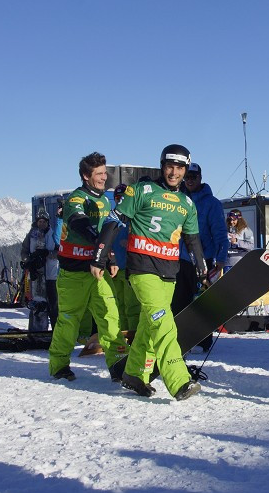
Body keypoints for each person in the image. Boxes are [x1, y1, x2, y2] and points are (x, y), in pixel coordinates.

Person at [92, 144, 208, 400]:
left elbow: (192, 240)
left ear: (185, 169)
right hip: (142, 269)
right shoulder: (142, 190)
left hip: (169, 272)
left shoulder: (187, 203)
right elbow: (114, 220)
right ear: (162, 166)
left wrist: (202, 269)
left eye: (179, 168)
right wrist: (100, 255)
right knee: (165, 324)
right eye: (170, 166)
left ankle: (133, 373)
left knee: (147, 326)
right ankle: (179, 381)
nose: (174, 173)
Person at [49, 153, 127, 381]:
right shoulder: (76, 198)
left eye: (105, 173)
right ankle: (59, 364)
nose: (104, 177)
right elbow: (79, 223)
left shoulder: (104, 200)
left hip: (98, 271)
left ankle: (118, 364)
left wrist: (109, 257)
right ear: (86, 176)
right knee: (69, 321)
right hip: (74, 271)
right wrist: (98, 245)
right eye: (99, 174)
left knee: (110, 317)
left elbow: (106, 233)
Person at [173, 162, 229, 351]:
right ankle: (180, 340)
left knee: (201, 302)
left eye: (193, 177)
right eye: (187, 177)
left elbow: (220, 232)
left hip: (203, 259)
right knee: (179, 302)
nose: (189, 181)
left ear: (200, 178)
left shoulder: (211, 203)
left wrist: (221, 258)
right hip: (179, 259)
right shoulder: (178, 199)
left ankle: (203, 341)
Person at [108, 184, 140, 342]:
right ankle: (122, 336)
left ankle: (133, 336)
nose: (120, 200)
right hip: (115, 268)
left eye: (123, 198)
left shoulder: (132, 218)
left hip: (129, 268)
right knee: (118, 305)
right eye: (117, 198)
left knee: (131, 306)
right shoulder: (112, 218)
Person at [21, 208, 59, 334]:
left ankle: (56, 331)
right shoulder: (32, 235)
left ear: (48, 222)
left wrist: (47, 254)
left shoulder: (52, 234)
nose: (42, 224)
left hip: (51, 274)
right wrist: (28, 261)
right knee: (38, 303)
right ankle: (37, 330)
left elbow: (59, 252)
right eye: (39, 221)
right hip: (37, 274)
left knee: (54, 305)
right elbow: (24, 250)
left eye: (44, 221)